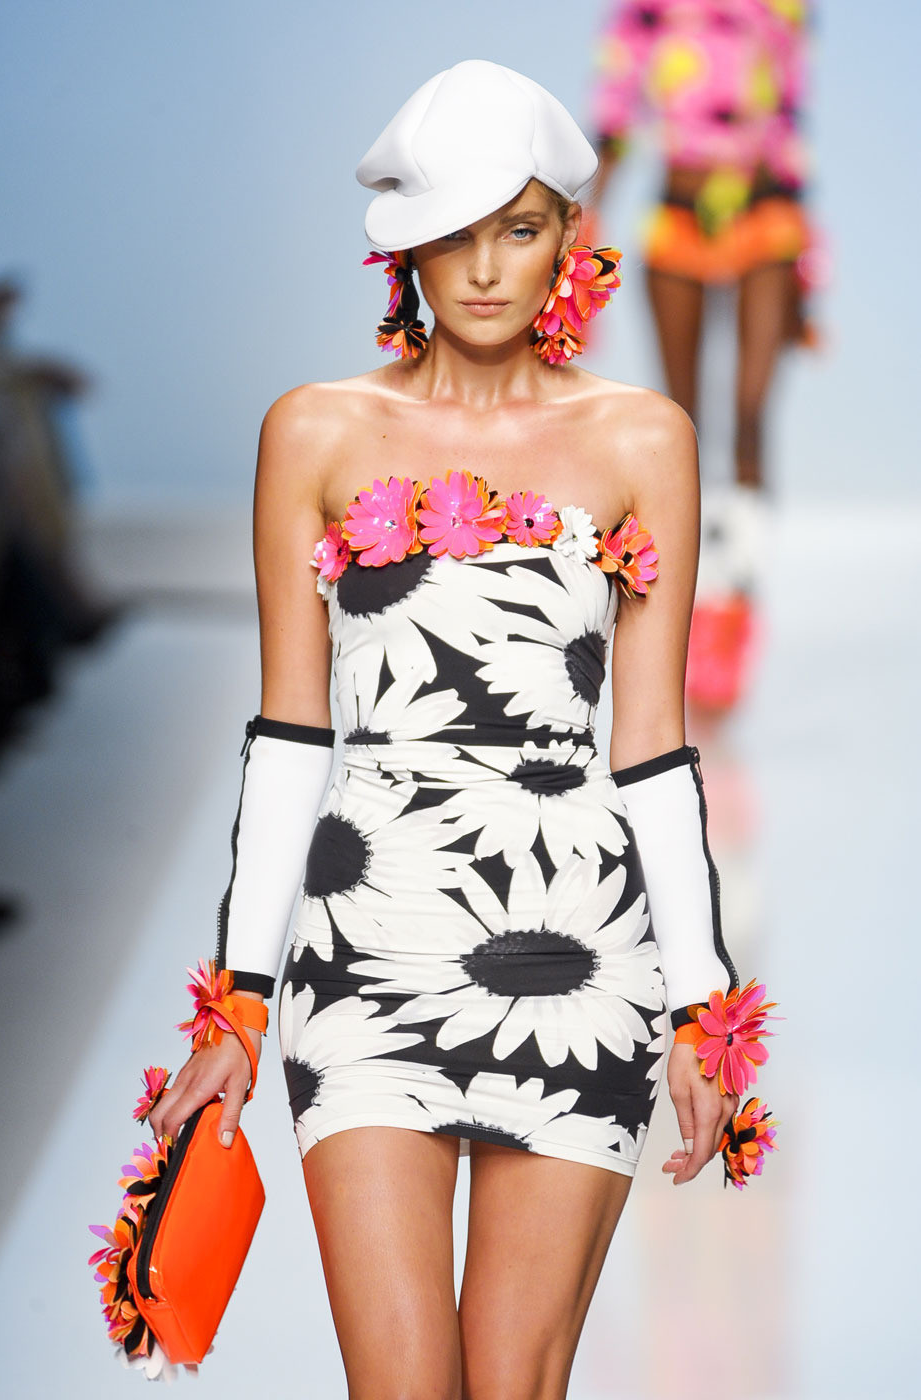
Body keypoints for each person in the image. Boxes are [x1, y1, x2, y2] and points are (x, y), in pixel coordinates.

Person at [149, 60, 772, 1398]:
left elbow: (652, 749)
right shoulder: (316, 432)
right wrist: (239, 1003)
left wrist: (699, 1009)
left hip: (582, 953)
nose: (486, 269)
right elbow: (290, 736)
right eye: (455, 232)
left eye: (519, 227)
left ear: (568, 238)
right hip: (364, 956)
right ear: (406, 246)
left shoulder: (642, 441)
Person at [588, 0, 819, 710]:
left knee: (749, 416)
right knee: (678, 425)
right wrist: (583, 222)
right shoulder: (647, 11)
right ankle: (684, 611)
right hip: (678, 214)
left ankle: (735, 611)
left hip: (768, 212)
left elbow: (789, 116)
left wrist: (808, 280)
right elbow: (616, 114)